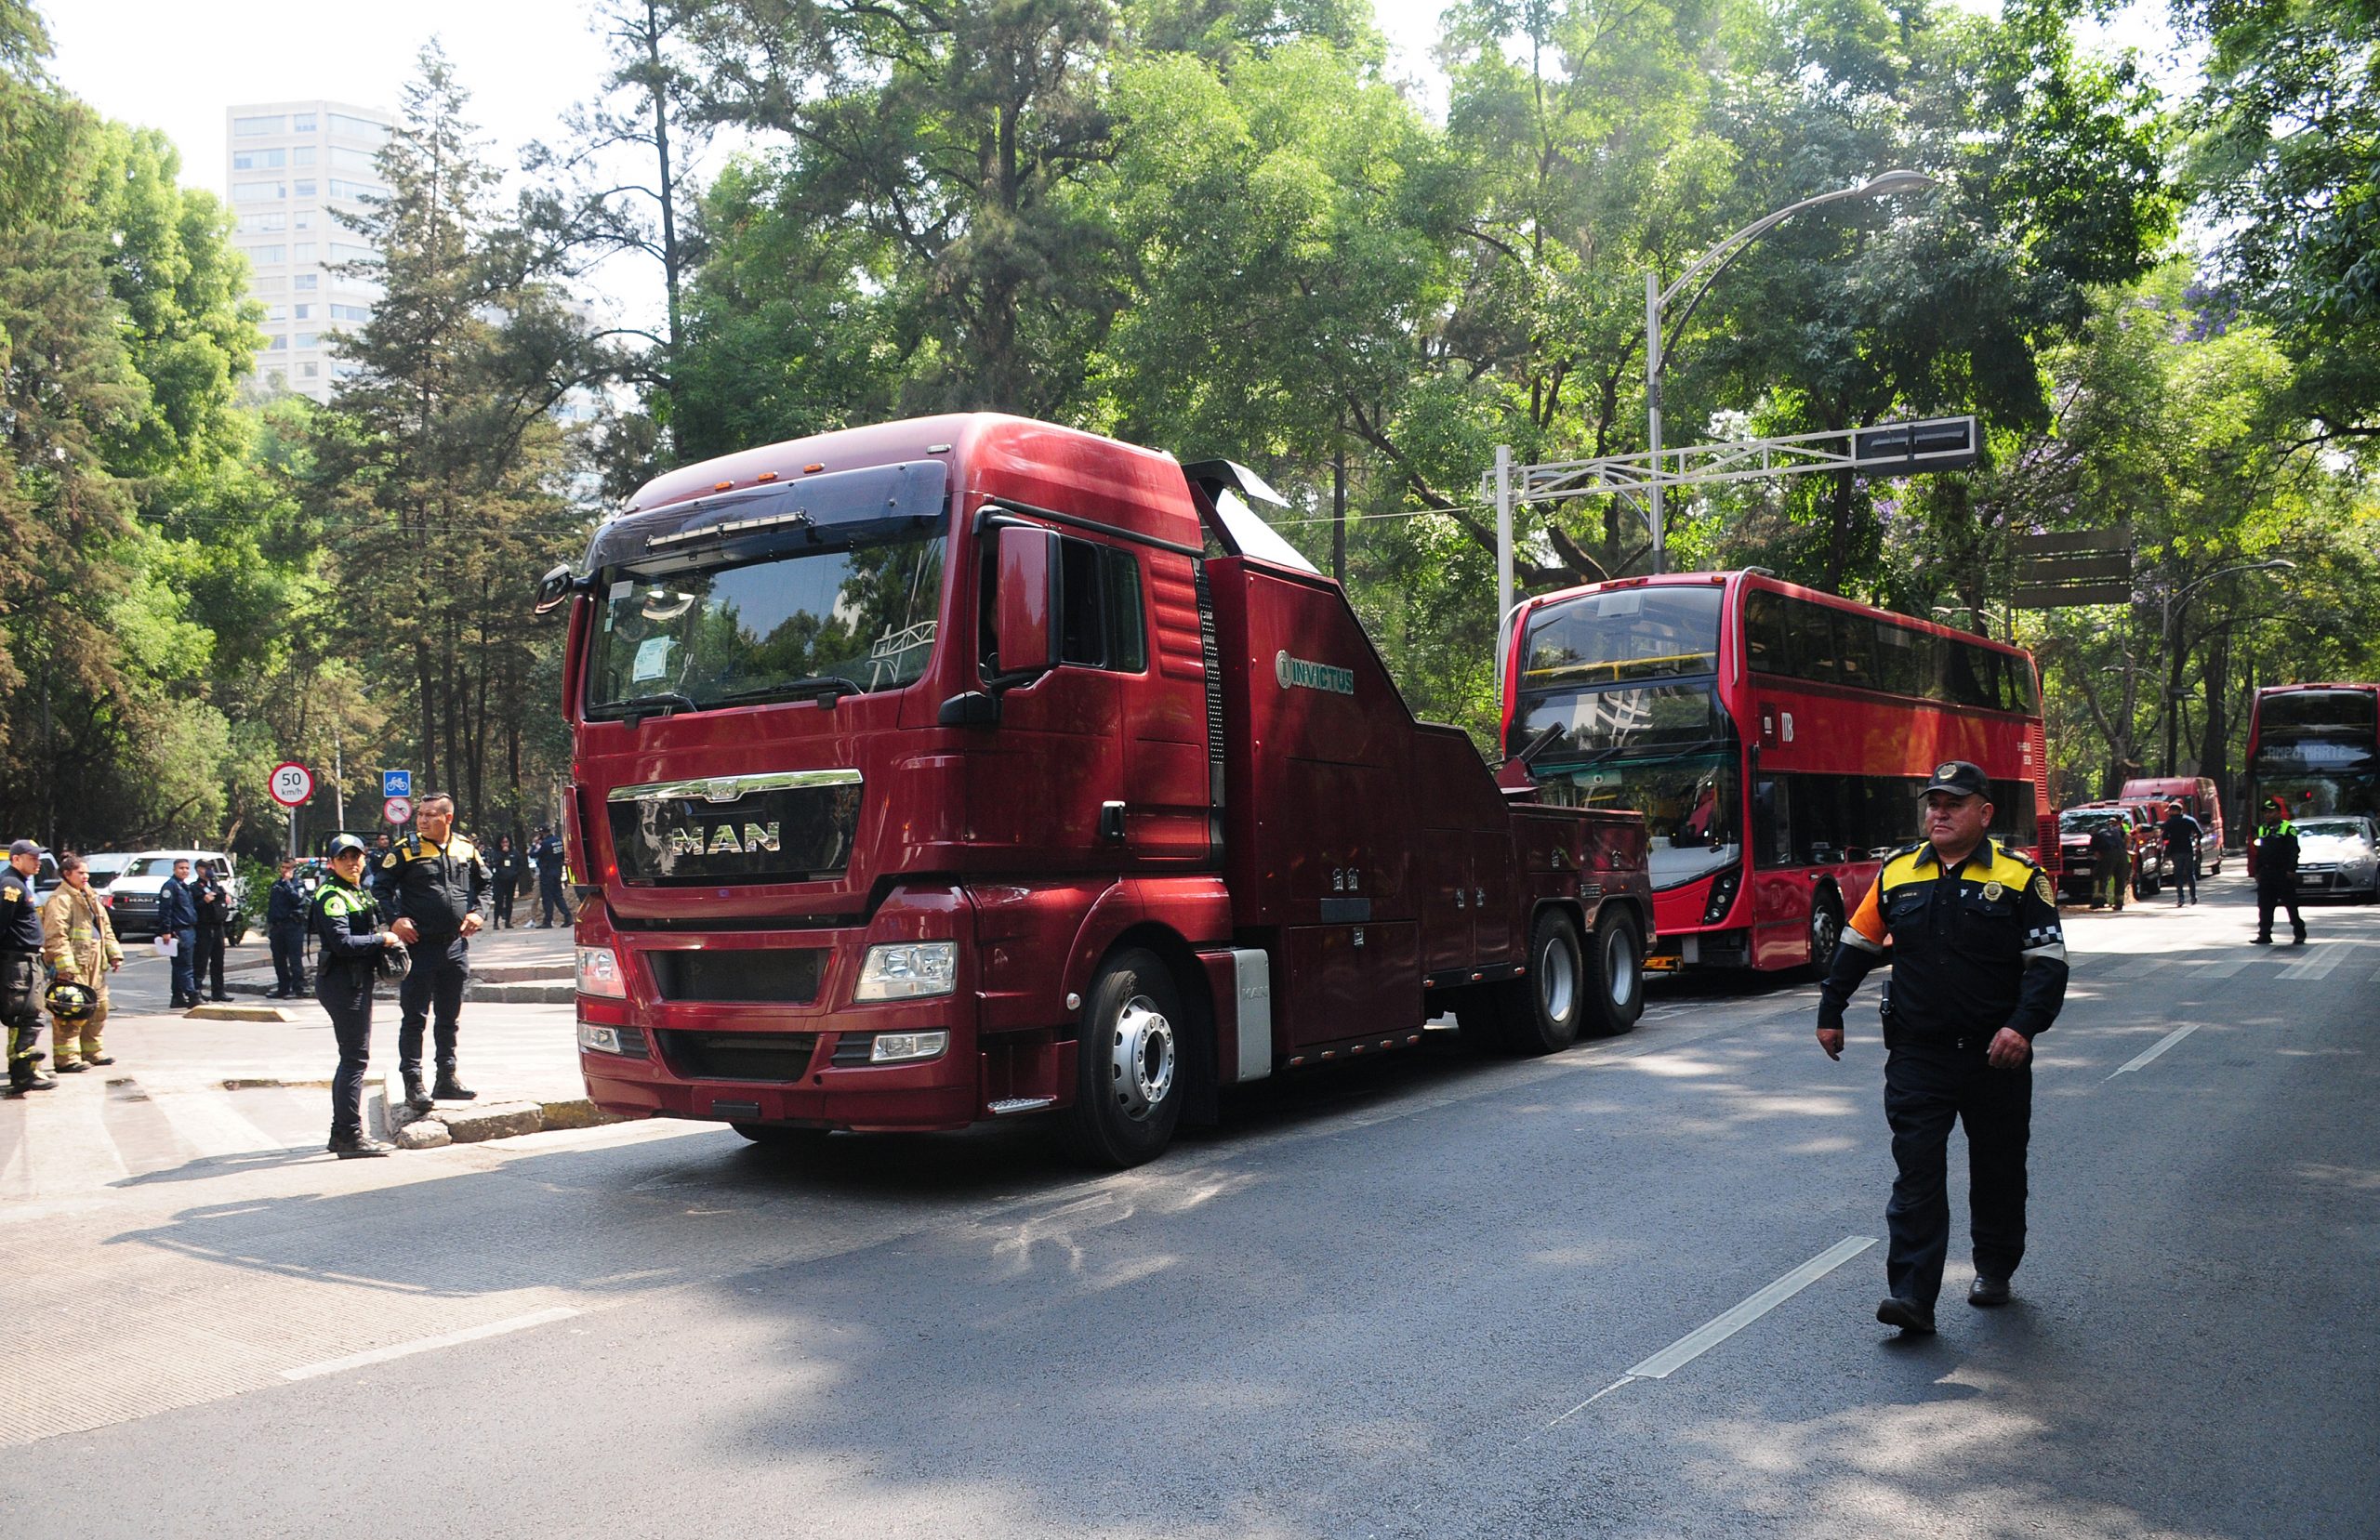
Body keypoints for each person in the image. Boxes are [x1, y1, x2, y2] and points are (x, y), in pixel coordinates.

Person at [1816, 761, 2069, 1335]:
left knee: (1998, 1170)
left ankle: (1995, 1267)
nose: (1940, 813)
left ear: (1984, 813)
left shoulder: (2021, 878)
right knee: (1916, 1175)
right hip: (1917, 1055)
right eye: (1933, 803)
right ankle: (1911, 1297)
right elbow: (1857, 945)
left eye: (1954, 804)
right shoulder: (1897, 873)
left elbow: (2048, 966)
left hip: (1994, 1058)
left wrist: (2023, 1028)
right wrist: (1831, 1010)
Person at [373, 793, 490, 1111]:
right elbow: (380, 887)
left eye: (429, 815)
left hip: (454, 947)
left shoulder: (465, 848)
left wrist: (479, 913)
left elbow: (485, 886)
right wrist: (394, 920)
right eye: (420, 815)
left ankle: (446, 1078)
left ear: (447, 818)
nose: (422, 820)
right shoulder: (406, 851)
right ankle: (413, 1083)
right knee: (414, 1018)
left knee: (449, 1017)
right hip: (418, 948)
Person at [311, 834, 403, 1157]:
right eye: (345, 858)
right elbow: (342, 943)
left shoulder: (356, 890)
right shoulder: (332, 894)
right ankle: (350, 1137)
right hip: (342, 983)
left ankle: (340, 1133)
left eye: (357, 857)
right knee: (354, 1060)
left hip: (355, 981)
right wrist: (382, 940)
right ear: (332, 863)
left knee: (352, 1058)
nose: (353, 863)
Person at [40, 852, 124, 1071]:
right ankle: (67, 1059)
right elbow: (55, 935)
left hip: (96, 960)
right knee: (72, 1008)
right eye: (81, 873)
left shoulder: (89, 896)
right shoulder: (60, 900)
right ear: (67, 874)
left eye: (87, 872)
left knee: (99, 1007)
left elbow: (105, 927)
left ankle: (93, 1051)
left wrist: (114, 953)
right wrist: (65, 966)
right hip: (75, 962)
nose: (86, 876)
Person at [3, 840, 57, 1097]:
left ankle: (22, 1070)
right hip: (18, 963)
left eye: (38, 857)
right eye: (32, 857)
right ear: (16, 860)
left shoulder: (18, 883)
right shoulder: (11, 886)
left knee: (24, 1017)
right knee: (30, 1015)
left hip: (26, 960)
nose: (38, 862)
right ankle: (24, 1072)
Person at [2250, 797, 2306, 945]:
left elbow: (2294, 850)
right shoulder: (2263, 829)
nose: (2268, 815)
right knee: (2265, 905)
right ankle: (2265, 934)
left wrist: (2291, 869)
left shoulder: (2287, 828)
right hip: (2267, 873)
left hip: (2283, 873)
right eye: (2266, 813)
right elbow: (2260, 853)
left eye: (2271, 812)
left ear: (2278, 813)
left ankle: (2299, 933)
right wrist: (2257, 871)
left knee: (2291, 905)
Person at [157, 858, 200, 1008]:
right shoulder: (170, 886)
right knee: (185, 965)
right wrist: (166, 931)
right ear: (174, 870)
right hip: (179, 930)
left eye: (187, 868)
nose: (185, 871)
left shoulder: (183, 886)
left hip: (188, 929)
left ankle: (177, 996)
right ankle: (192, 995)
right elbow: (165, 910)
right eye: (181, 868)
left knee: (178, 966)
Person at [266, 858, 311, 997]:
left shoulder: (298, 884)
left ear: (293, 870)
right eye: (283, 867)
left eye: (287, 868)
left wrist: (288, 884)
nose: (284, 871)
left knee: (294, 959)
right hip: (277, 926)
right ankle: (283, 988)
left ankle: (298, 989)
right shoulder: (276, 884)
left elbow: (297, 899)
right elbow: (273, 906)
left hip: (292, 925)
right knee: (279, 959)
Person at [191, 862, 232, 1002]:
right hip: (204, 927)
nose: (209, 871)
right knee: (201, 961)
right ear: (198, 870)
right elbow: (193, 907)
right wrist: (204, 900)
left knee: (218, 960)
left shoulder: (216, 885)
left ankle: (219, 991)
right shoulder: (195, 887)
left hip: (218, 926)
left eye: (211, 868)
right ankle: (196, 991)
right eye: (205, 869)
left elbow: (222, 897)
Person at [530, 824, 572, 928]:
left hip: (546, 873)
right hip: (557, 872)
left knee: (547, 897)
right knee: (558, 896)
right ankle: (568, 916)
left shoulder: (544, 844)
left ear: (542, 833)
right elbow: (562, 856)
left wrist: (535, 844)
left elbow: (532, 854)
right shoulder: (558, 841)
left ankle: (548, 921)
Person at [2161, 805, 2202, 908]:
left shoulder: (2169, 822)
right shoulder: (2190, 820)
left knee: (2178, 874)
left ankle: (2180, 898)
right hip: (2188, 849)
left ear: (2174, 811)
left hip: (2175, 851)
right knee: (2190, 873)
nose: (2169, 813)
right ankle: (2193, 896)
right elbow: (2199, 833)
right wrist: (2197, 842)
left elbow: (2164, 836)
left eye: (2170, 811)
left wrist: (2169, 840)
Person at [2088, 816, 2129, 911]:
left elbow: (2097, 854)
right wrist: (2125, 848)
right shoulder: (2115, 830)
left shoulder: (2096, 836)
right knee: (2120, 879)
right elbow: (2128, 836)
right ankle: (2119, 903)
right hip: (2122, 854)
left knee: (2099, 877)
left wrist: (2102, 863)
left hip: (2109, 854)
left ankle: (2098, 902)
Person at [488, 834, 521, 929]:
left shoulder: (515, 852)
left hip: (511, 880)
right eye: (503, 842)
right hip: (499, 880)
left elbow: (519, 864)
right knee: (499, 901)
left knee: (509, 901)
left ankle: (508, 921)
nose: (505, 844)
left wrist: (516, 874)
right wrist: (502, 854)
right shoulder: (496, 852)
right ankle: (496, 922)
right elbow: (494, 863)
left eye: (507, 842)